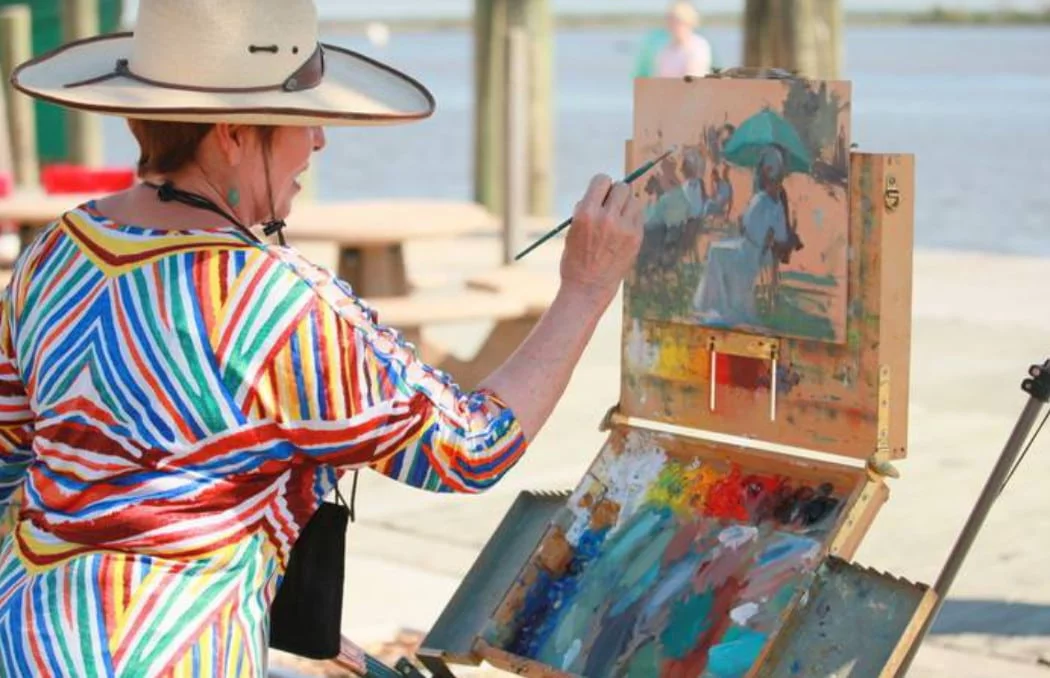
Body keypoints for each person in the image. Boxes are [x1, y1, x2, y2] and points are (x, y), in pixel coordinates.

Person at [0, 0, 644, 675]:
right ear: (232, 134)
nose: (318, 141)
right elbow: (471, 447)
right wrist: (585, 290)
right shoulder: (275, 305)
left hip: (26, 636)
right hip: (170, 651)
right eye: (304, 116)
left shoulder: (60, 249)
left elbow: (9, 452)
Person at [692, 146, 790, 325]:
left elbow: (744, 226)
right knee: (719, 249)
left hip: (747, 252)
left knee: (715, 251)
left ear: (767, 172)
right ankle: (716, 302)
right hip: (759, 254)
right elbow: (781, 237)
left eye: (762, 169)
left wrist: (743, 223)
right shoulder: (777, 206)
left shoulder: (760, 200)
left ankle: (714, 303)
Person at [634, 1, 716, 79]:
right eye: (670, 22)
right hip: (666, 92)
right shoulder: (666, 48)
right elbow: (657, 75)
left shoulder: (698, 46)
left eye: (676, 22)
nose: (672, 26)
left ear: (688, 22)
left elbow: (692, 77)